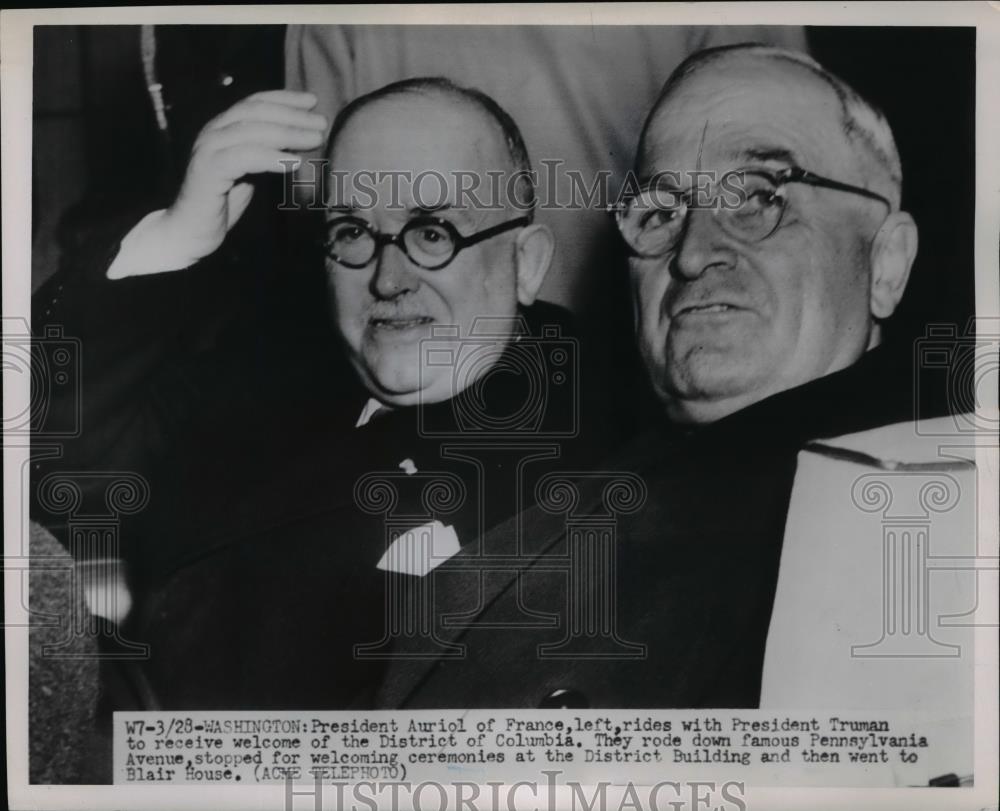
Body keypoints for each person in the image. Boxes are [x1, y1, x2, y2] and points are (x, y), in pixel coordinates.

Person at [373, 44, 975, 752]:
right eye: (660, 212)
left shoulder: (937, 527)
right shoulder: (548, 481)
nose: (691, 254)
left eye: (759, 196)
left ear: (886, 263)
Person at [30, 78, 606, 713]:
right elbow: (52, 460)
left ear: (527, 263)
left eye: (432, 233)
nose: (388, 279)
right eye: (353, 231)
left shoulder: (587, 458)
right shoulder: (274, 370)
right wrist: (177, 236)